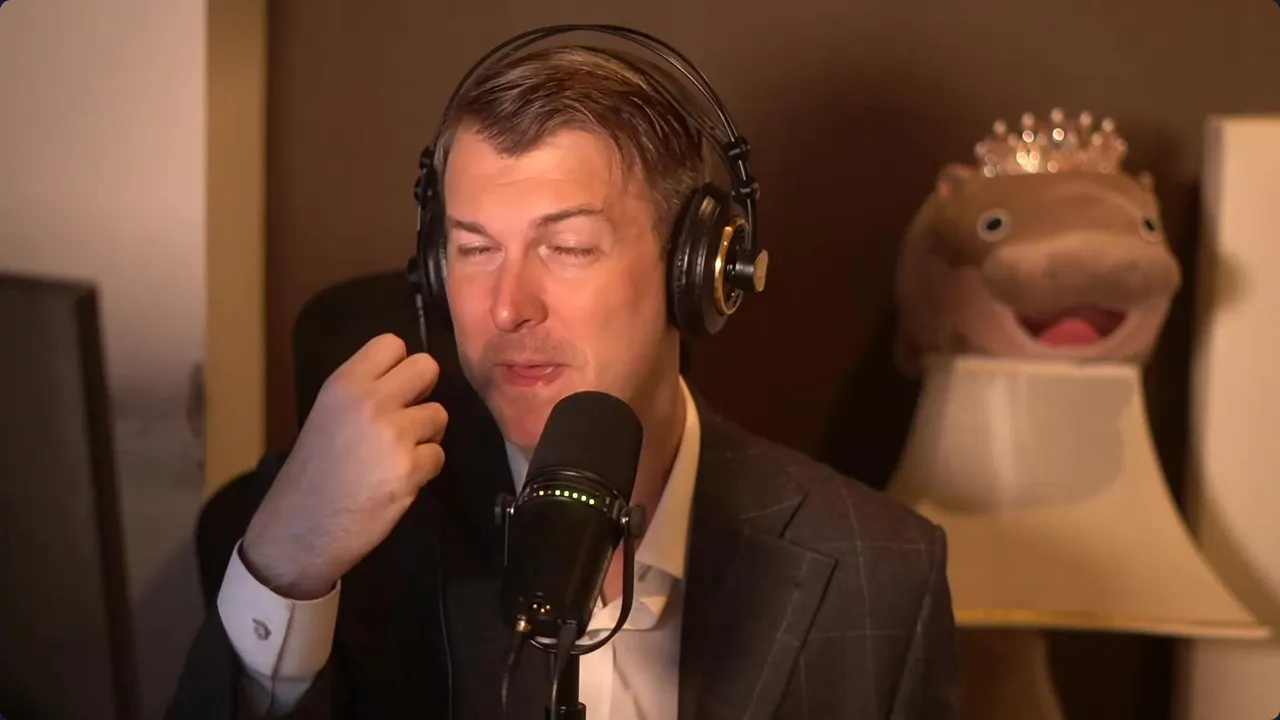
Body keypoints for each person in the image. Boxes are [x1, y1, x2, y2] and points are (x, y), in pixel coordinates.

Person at [167, 26, 957, 720]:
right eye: (474, 249)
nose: (508, 307)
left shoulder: (880, 570)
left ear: (697, 273)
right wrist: (284, 565)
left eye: (568, 248)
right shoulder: (349, 535)